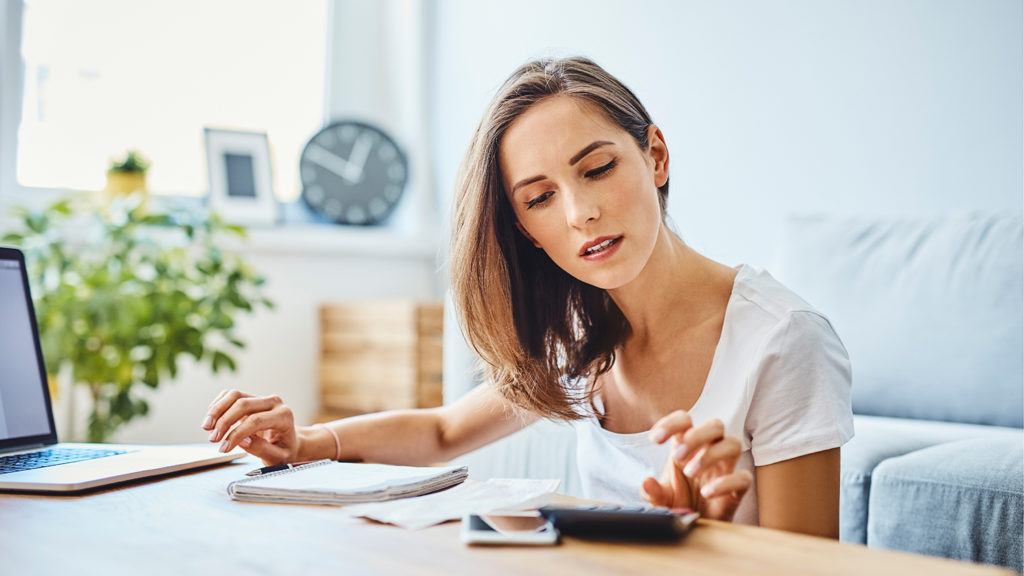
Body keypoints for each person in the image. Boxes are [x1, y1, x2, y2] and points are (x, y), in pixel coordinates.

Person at [201, 57, 853, 538]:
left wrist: (710, 535)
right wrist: (305, 442)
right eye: (540, 198)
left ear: (655, 156)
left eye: (598, 168)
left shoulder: (782, 339)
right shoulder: (582, 332)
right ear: (525, 231)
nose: (581, 213)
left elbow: (816, 565)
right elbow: (442, 430)